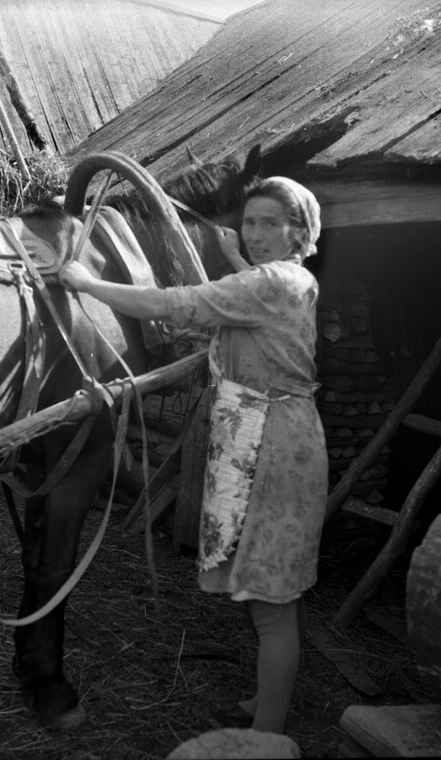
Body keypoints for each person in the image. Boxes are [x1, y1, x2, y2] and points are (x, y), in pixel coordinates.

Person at [59, 176, 328, 735]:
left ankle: (266, 739)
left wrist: (87, 283)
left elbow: (174, 303)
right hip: (276, 434)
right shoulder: (289, 280)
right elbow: (242, 301)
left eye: (269, 224)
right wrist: (231, 257)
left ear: (298, 230)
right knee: (278, 585)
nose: (255, 234)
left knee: (269, 602)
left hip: (272, 444)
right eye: (249, 222)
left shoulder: (275, 281)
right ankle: (266, 703)